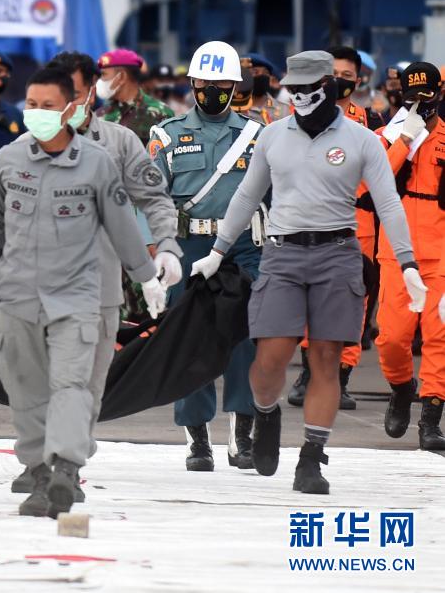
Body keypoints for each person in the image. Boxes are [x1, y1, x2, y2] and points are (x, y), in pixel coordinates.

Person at [0, 67, 165, 518]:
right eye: (32, 105)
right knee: (24, 390)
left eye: (48, 106)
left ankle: (63, 468)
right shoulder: (10, 158)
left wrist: (146, 277)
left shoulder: (98, 163)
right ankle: (37, 469)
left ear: (69, 109)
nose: (38, 113)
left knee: (69, 383)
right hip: (17, 297)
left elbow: (124, 228)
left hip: (76, 296)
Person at [190, 51, 423, 495]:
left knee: (325, 360)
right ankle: (265, 412)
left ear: (327, 88)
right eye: (291, 90)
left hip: (337, 253)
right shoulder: (273, 137)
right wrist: (219, 251)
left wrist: (408, 261)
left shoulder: (362, 141)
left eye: (306, 89)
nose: (297, 97)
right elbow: (246, 196)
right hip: (282, 254)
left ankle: (312, 457)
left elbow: (389, 203)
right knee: (270, 359)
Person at [6, 51, 180, 497]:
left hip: (97, 289)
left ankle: (65, 465)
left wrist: (167, 247)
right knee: (34, 381)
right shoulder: (23, 149)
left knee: (81, 384)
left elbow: (156, 199)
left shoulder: (119, 144)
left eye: (82, 91)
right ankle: (39, 460)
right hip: (30, 287)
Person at [149, 41, 265, 472]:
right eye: (204, 82)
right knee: (189, 338)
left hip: (245, 247)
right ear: (192, 83)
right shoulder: (166, 134)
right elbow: (152, 196)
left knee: (246, 338)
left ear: (235, 85)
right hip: (187, 245)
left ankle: (242, 431)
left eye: (221, 83)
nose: (211, 89)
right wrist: (158, 251)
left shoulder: (258, 135)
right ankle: (197, 436)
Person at [288, 46, 383, 410]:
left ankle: (341, 377)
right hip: (316, 220)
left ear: (358, 80)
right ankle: (309, 374)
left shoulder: (373, 122)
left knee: (355, 305)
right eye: (334, 76)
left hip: (361, 226)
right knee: (314, 298)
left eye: (347, 76)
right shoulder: (305, 117)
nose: (340, 82)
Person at [375, 62, 445, 451]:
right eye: (411, 96)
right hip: (396, 253)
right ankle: (402, 387)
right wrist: (404, 142)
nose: (420, 103)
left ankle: (431, 417)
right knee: (391, 338)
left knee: (440, 338)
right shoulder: (386, 136)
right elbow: (370, 182)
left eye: (427, 95)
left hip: (440, 254)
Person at [95, 49, 173, 147]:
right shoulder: (100, 115)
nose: (100, 81)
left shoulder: (160, 113)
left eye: (104, 75)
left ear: (122, 77)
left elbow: (169, 156)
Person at [243, 53, 288, 124]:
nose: (261, 75)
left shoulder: (285, 110)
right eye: (255, 72)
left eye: (266, 72)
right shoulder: (231, 110)